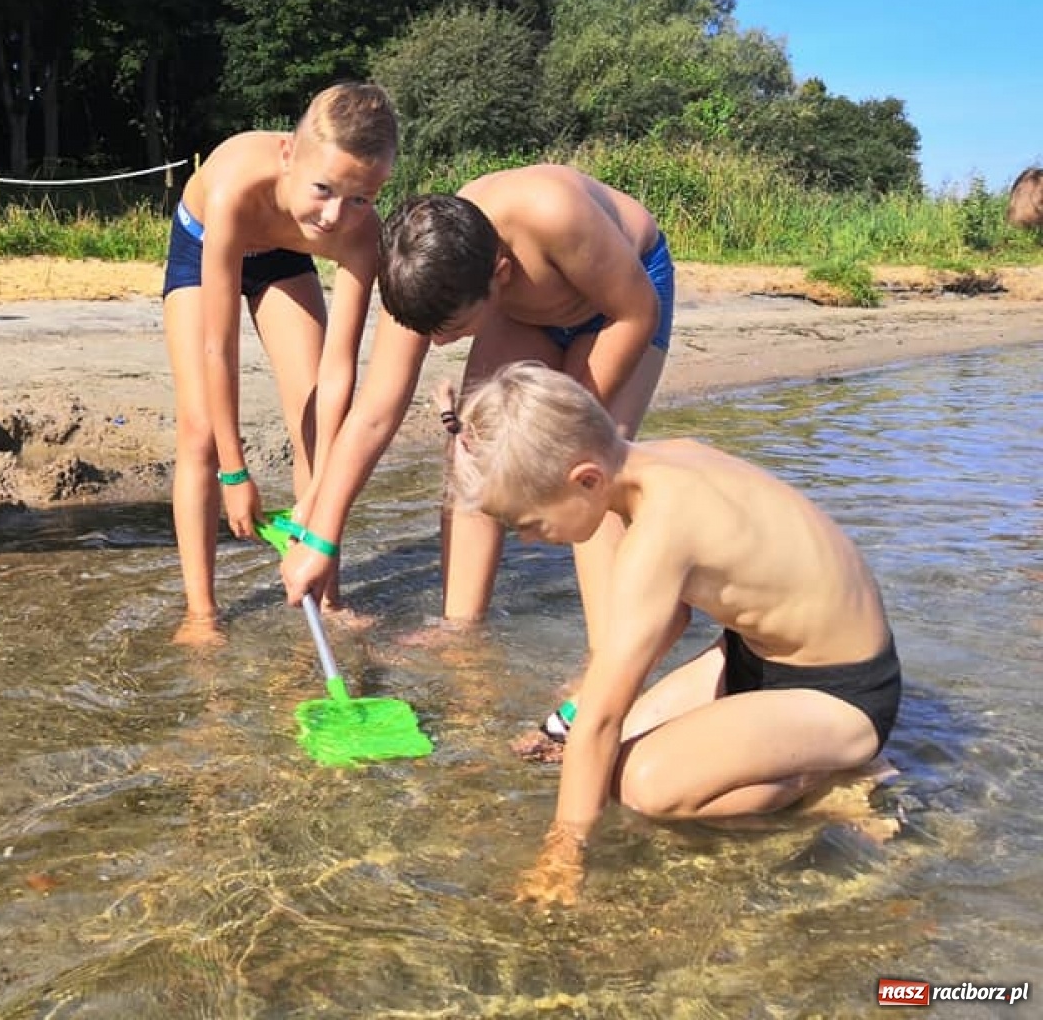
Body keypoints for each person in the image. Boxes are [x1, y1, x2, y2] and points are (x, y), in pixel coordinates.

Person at [451, 361, 900, 906]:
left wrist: (561, 856)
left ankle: (832, 784)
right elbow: (667, 625)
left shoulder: (660, 534)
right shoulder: (665, 458)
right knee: (607, 757)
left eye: (530, 523)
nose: (525, 540)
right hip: (754, 657)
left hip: (842, 694)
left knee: (641, 786)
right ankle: (800, 760)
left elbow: (603, 719)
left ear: (586, 479)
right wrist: (568, 720)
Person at [280, 166, 673, 713]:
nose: (440, 346)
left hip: (624, 303)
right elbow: (374, 412)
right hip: (521, 313)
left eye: (454, 330)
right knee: (473, 448)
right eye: (431, 332)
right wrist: (320, 540)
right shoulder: (420, 265)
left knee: (587, 467)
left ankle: (608, 667)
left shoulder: (554, 214)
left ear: (501, 272)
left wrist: (557, 427)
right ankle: (461, 627)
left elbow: (637, 312)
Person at [163, 82, 398, 646]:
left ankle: (325, 592)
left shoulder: (358, 231)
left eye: (360, 199)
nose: (336, 216)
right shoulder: (236, 191)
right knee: (200, 430)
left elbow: (338, 373)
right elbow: (220, 348)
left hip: (284, 257)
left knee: (318, 423)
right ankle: (201, 615)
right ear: (289, 156)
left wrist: (315, 506)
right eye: (323, 190)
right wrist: (235, 472)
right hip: (206, 244)